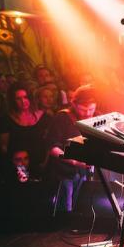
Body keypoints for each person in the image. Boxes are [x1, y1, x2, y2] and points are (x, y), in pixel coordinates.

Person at [45, 85, 98, 213]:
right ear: (73, 104)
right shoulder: (62, 118)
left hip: (82, 174)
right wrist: (74, 161)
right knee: (65, 211)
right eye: (83, 109)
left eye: (91, 109)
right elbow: (52, 147)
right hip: (63, 174)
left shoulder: (95, 118)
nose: (88, 113)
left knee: (78, 210)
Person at [0, 83, 50, 176]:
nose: (23, 101)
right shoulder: (6, 120)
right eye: (18, 98)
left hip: (40, 164)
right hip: (19, 167)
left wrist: (45, 162)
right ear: (13, 101)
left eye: (25, 97)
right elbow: (4, 147)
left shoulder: (43, 117)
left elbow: (49, 143)